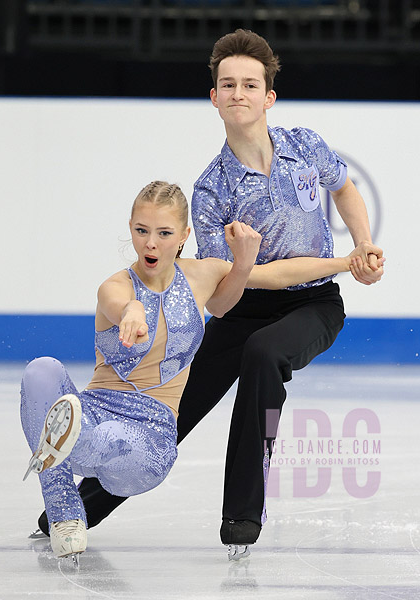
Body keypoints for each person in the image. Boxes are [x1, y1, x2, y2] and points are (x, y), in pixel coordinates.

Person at [34, 29, 385, 557]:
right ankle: (78, 507)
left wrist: (364, 243)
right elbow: (243, 277)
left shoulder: (307, 145)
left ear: (268, 96)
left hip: (314, 304)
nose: (238, 92)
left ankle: (244, 513)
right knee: (177, 401)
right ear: (214, 98)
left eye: (250, 84)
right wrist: (346, 261)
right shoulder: (211, 189)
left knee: (264, 356)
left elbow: (345, 188)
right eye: (228, 84)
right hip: (243, 303)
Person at [23, 180, 375, 560]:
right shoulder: (115, 285)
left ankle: (66, 440)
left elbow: (275, 277)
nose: (150, 244)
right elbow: (118, 303)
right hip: (96, 408)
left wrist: (347, 262)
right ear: (130, 229)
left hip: (146, 440)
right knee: (42, 371)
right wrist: (131, 310)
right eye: (141, 231)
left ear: (183, 236)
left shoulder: (202, 275)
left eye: (163, 233)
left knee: (105, 436)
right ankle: (65, 511)